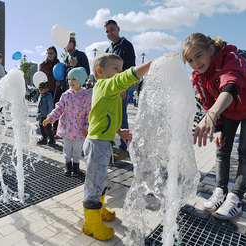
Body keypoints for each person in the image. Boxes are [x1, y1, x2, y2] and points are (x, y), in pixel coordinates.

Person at [181, 33, 246, 220]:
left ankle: (236, 197)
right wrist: (219, 127)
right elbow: (208, 101)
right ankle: (220, 191)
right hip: (229, 110)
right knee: (222, 149)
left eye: (198, 56)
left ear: (211, 50)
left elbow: (231, 84)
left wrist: (211, 115)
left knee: (245, 151)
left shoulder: (230, 58)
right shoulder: (199, 76)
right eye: (189, 60)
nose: (195, 63)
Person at [82, 53, 153, 241]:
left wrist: (119, 131)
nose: (119, 73)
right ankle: (91, 223)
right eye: (116, 69)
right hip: (97, 144)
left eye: (120, 69)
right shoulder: (104, 85)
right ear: (100, 71)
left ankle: (100, 209)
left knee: (100, 178)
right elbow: (125, 79)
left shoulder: (107, 91)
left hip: (102, 142)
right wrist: (151, 64)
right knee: (94, 182)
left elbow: (105, 116)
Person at [43, 67, 91, 176]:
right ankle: (67, 164)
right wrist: (51, 117)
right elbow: (59, 108)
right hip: (67, 127)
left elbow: (89, 112)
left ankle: (76, 165)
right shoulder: (65, 95)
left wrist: (87, 126)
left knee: (77, 149)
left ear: (81, 81)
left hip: (79, 129)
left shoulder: (86, 96)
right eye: (69, 79)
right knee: (67, 148)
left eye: (74, 79)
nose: (70, 82)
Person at [104, 19, 136, 160]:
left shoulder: (126, 45)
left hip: (121, 88)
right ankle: (111, 144)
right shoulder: (108, 49)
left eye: (112, 29)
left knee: (122, 117)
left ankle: (123, 149)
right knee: (110, 116)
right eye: (107, 31)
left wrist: (124, 86)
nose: (110, 33)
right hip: (110, 89)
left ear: (118, 28)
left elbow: (130, 68)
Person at [39, 46, 62, 137]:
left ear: (55, 54)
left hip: (57, 90)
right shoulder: (43, 65)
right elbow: (40, 78)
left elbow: (63, 76)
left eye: (51, 53)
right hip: (46, 91)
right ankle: (45, 131)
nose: (49, 55)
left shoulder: (59, 64)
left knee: (56, 110)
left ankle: (54, 130)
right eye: (48, 53)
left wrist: (60, 83)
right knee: (46, 111)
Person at [36, 81, 55, 146]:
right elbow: (38, 106)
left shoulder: (48, 96)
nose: (40, 91)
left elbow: (50, 106)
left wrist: (49, 115)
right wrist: (37, 114)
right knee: (41, 127)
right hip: (41, 115)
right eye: (39, 89)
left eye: (42, 89)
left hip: (46, 115)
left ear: (47, 89)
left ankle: (52, 139)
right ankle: (44, 138)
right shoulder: (41, 96)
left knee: (47, 128)